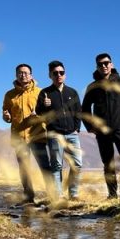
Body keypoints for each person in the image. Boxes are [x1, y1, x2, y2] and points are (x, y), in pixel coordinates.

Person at [81, 53, 120, 201]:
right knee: (108, 164)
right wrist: (90, 126)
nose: (104, 66)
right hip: (102, 132)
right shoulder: (93, 86)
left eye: (106, 63)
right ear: (97, 67)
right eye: (100, 64)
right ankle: (112, 195)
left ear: (111, 64)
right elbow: (85, 109)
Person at [1, 63, 50, 204]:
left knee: (45, 166)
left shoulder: (41, 92)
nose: (23, 75)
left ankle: (52, 195)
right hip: (19, 137)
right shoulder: (9, 95)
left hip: (37, 135)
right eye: (20, 73)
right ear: (16, 75)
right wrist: (6, 117)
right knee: (24, 168)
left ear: (31, 75)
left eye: (26, 73)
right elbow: (6, 114)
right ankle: (29, 197)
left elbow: (48, 113)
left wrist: (40, 113)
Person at [36, 60, 83, 201]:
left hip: (72, 134)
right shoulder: (45, 93)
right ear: (50, 75)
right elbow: (38, 112)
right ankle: (59, 196)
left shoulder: (72, 92)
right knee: (56, 165)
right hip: (55, 134)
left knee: (77, 164)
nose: (59, 75)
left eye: (61, 72)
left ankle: (73, 194)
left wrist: (77, 128)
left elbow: (78, 112)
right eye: (55, 73)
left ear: (65, 74)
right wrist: (44, 105)